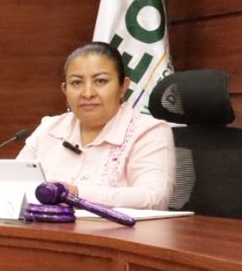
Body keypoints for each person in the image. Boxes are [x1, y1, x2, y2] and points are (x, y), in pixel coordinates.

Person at [18, 40, 175, 210]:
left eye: (100, 81)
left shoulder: (149, 131)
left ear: (123, 87)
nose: (87, 93)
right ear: (65, 90)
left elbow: (155, 198)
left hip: (113, 228)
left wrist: (75, 193)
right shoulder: (48, 129)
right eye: (77, 83)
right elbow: (12, 185)